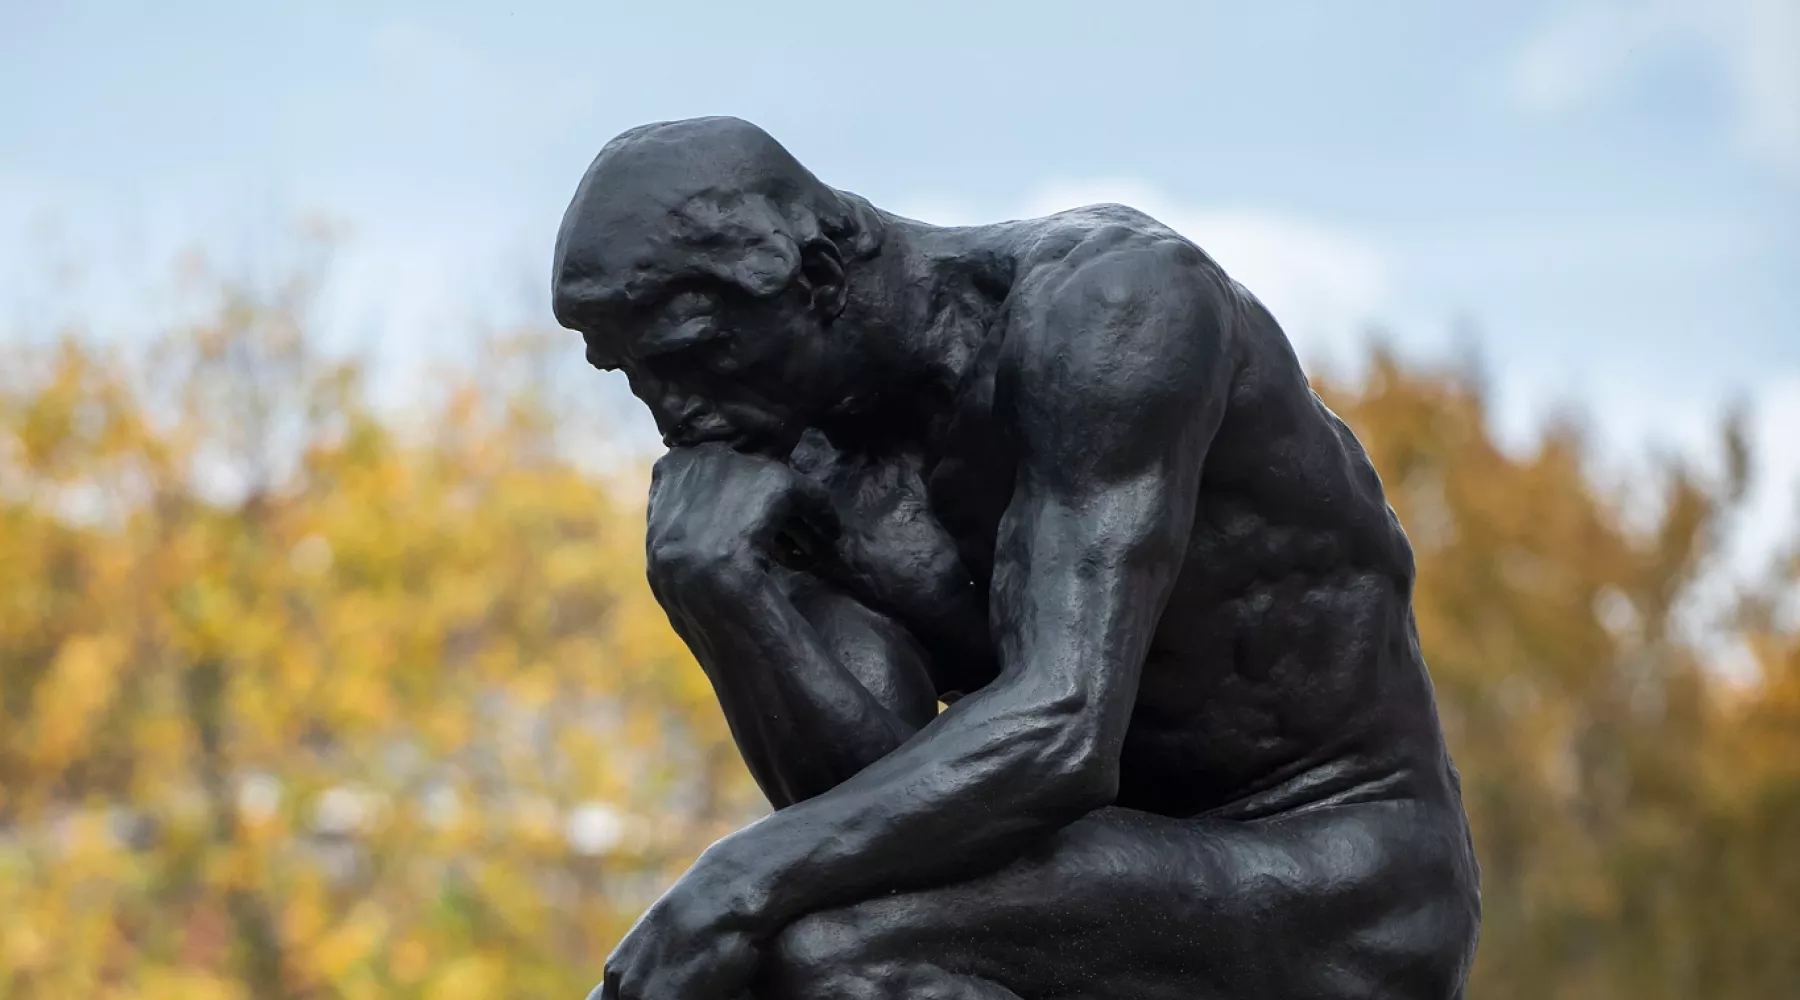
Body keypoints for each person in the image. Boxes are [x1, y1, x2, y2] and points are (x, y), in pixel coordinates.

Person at [552, 116, 1480, 1000]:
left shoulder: (1110, 311)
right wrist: (726, 600)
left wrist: (728, 884)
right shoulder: (789, 468)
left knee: (819, 954)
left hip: (1339, 869)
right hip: (1089, 878)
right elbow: (868, 808)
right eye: (629, 377)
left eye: (687, 356)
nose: (671, 415)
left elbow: (1066, 728)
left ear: (820, 274)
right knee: (788, 943)